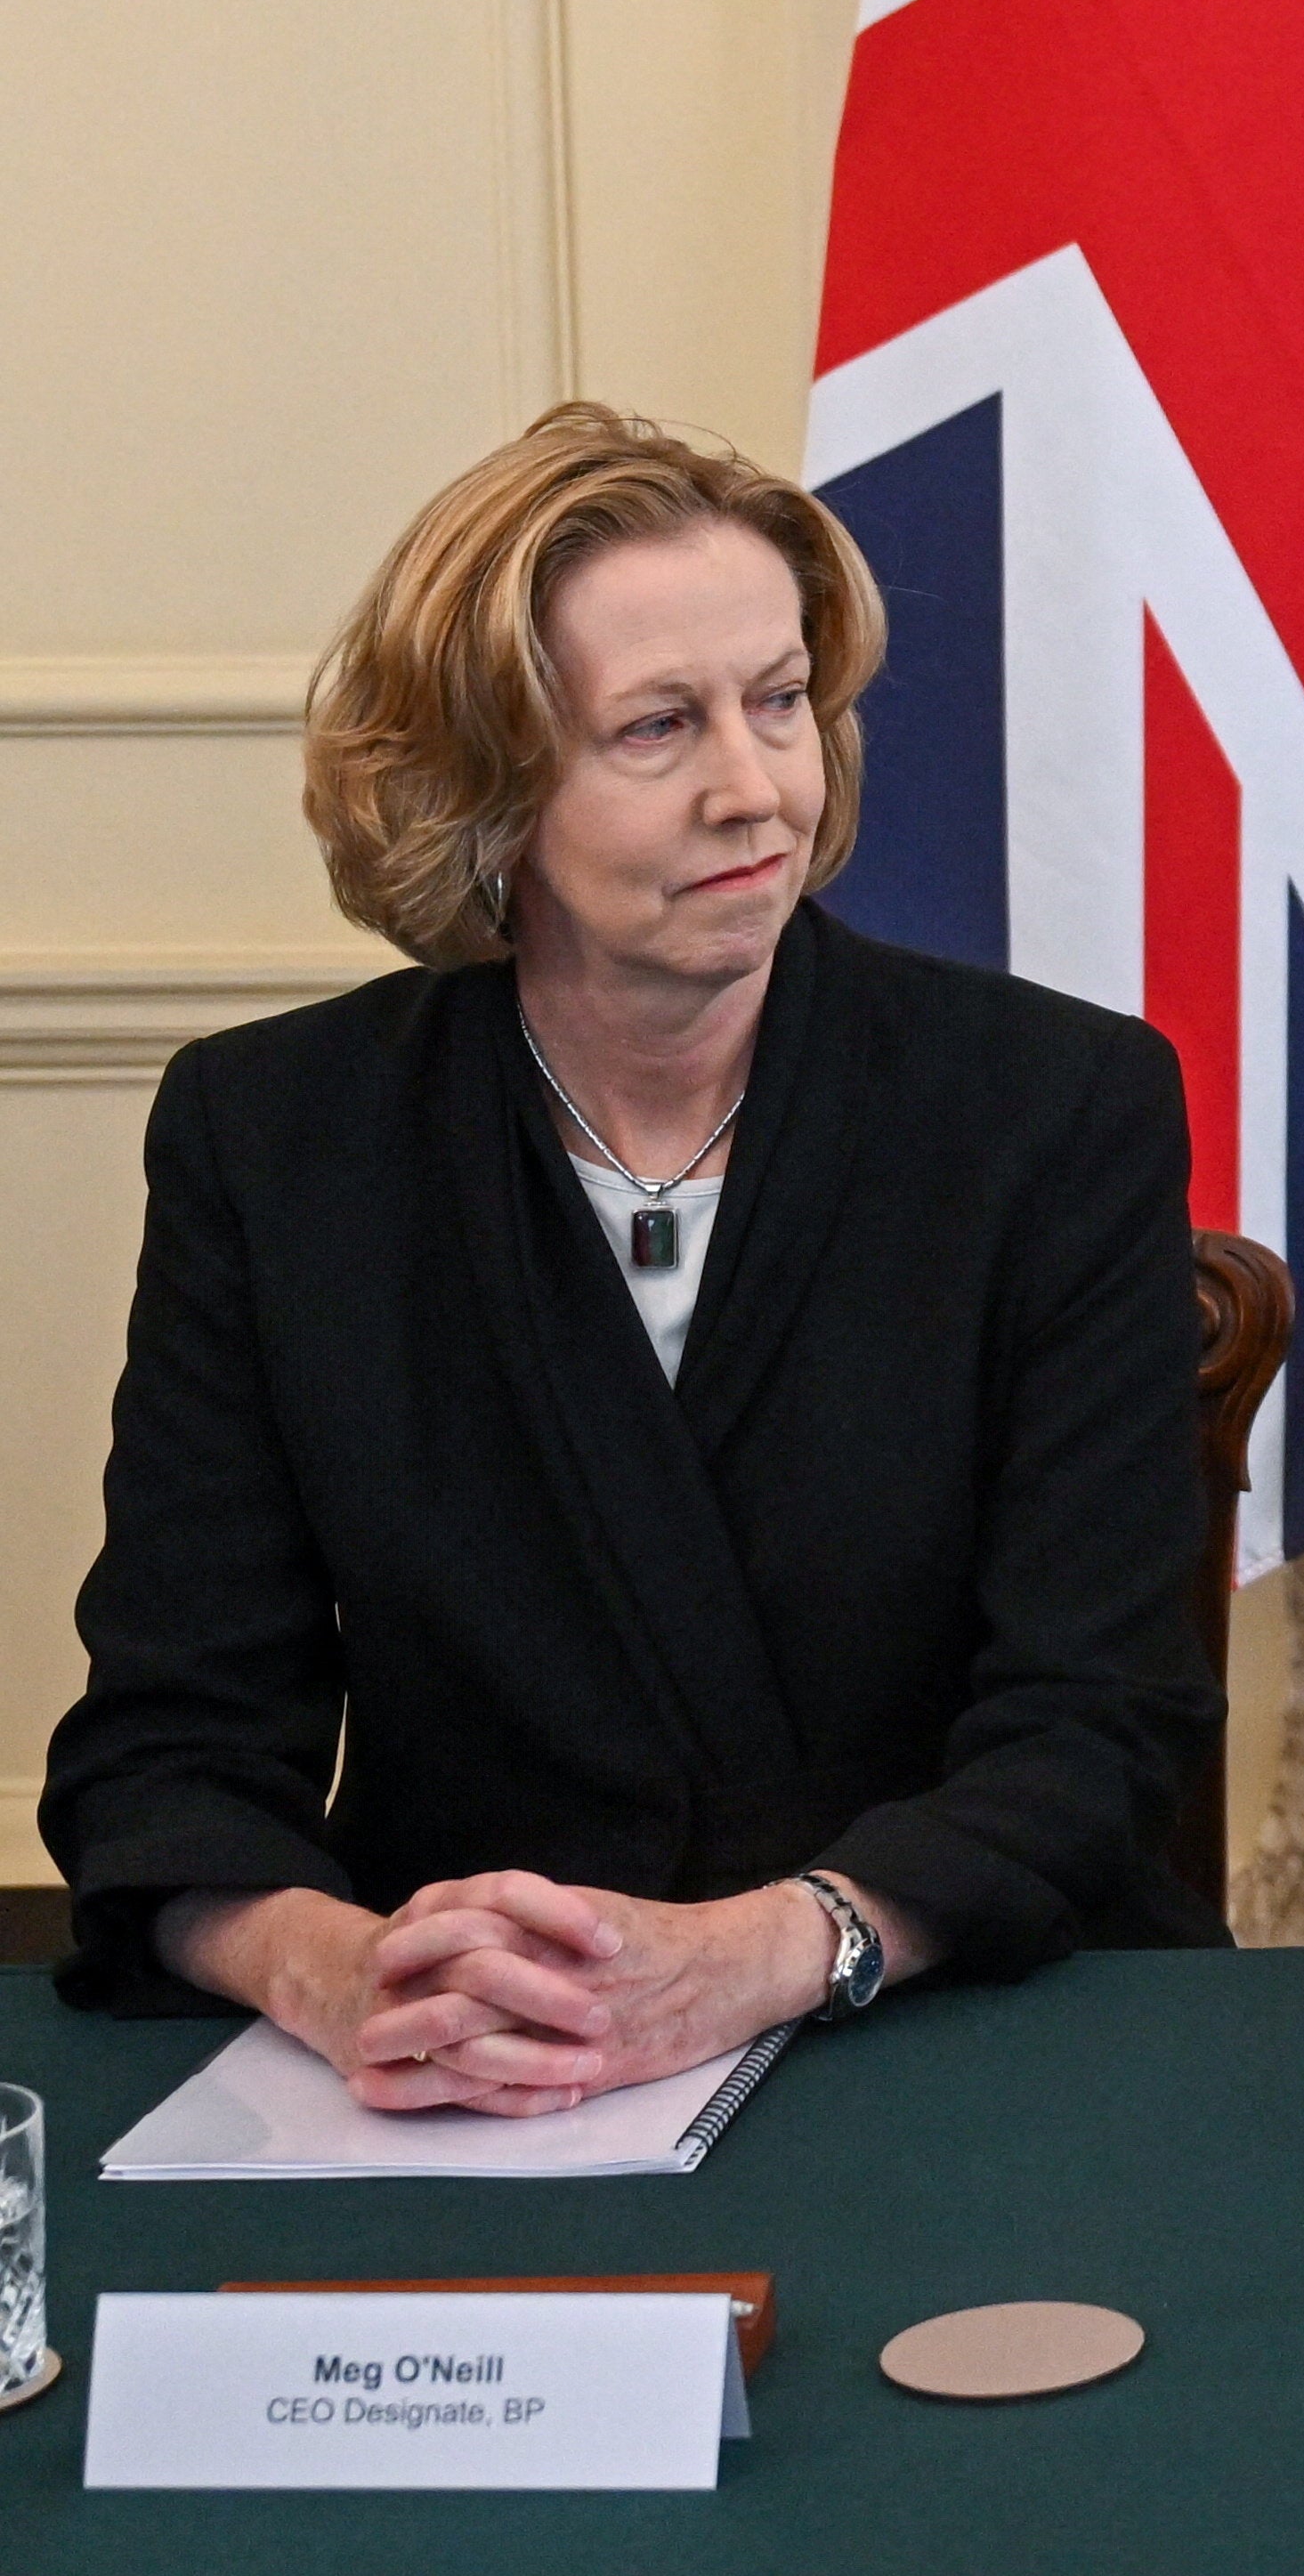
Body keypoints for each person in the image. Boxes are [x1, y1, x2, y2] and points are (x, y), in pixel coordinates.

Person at [39, 404, 1221, 2102]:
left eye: (783, 701)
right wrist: (338, 1971)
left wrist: (755, 1954)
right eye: (658, 727)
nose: (758, 788)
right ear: (482, 790)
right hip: (477, 2071)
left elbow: (1100, 1723)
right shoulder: (276, 1138)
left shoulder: (1054, 1107)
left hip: (960, 2022)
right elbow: (169, 1742)